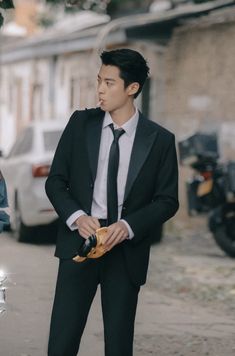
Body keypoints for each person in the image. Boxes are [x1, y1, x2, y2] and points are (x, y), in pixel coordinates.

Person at [45, 48, 179, 356]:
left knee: (119, 346)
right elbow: (56, 181)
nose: (100, 90)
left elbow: (167, 200)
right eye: (99, 81)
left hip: (125, 250)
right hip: (80, 242)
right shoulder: (80, 124)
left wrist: (129, 226)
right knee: (61, 343)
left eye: (109, 83)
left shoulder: (159, 140)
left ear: (132, 88)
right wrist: (78, 217)